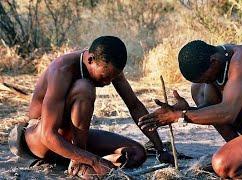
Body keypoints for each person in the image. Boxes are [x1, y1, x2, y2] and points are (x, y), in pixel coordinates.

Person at [138, 40, 242, 178]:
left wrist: (180, 116)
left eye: (206, 78)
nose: (207, 82)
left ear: (213, 62)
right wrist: (185, 109)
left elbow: (227, 113)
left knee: (223, 165)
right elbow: (211, 109)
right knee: (197, 90)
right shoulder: (219, 61)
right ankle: (240, 152)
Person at [8, 36, 172, 178]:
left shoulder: (109, 65)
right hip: (40, 140)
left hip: (71, 140)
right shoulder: (62, 70)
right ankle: (81, 163)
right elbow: (47, 135)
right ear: (91, 60)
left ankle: (82, 161)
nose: (108, 83)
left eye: (112, 78)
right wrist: (93, 160)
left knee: (136, 153)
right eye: (105, 77)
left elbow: (134, 105)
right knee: (84, 88)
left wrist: (160, 149)